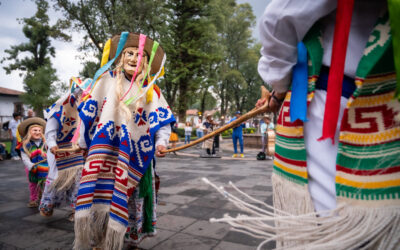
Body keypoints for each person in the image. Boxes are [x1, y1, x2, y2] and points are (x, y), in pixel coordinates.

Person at [256, 0, 400, 248]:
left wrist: (278, 86)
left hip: (336, 101)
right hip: (380, 104)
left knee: (330, 227)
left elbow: (280, 18)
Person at [74, 32, 175, 250]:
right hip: (106, 153)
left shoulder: (150, 90)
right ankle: (100, 240)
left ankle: (127, 238)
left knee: (133, 198)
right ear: (121, 57)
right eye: (129, 53)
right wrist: (82, 142)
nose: (133, 58)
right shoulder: (105, 81)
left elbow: (162, 122)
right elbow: (88, 113)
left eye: (139, 55)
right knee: (102, 196)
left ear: (146, 63)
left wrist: (161, 143)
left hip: (137, 156)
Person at [39, 78, 85, 219]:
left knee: (77, 179)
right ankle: (47, 205)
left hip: (73, 149)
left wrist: (82, 144)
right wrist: (52, 145)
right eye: (80, 95)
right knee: (54, 177)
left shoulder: (83, 110)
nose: (81, 98)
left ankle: (75, 209)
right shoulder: (58, 109)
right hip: (57, 149)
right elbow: (50, 132)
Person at [18, 117, 48, 208]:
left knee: (45, 183)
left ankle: (44, 199)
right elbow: (24, 157)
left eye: (39, 130)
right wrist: (30, 165)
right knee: (33, 184)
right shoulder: (26, 145)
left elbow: (50, 154)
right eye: (34, 130)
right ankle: (34, 199)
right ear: (29, 132)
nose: (37, 132)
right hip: (32, 167)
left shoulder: (45, 143)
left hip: (45, 167)